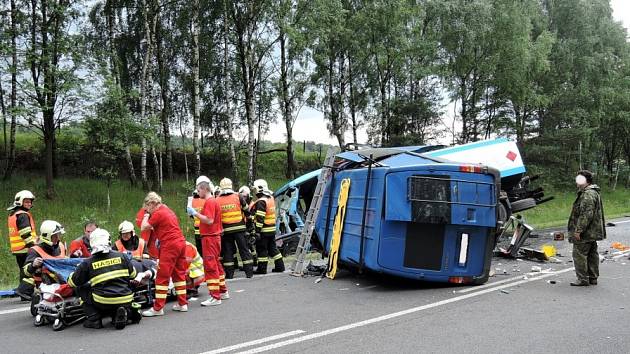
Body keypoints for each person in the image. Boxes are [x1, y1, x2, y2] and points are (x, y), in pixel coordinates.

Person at [68, 228, 141, 329]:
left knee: (80, 289)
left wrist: (71, 275)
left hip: (103, 301)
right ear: (109, 240)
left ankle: (94, 319)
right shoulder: (122, 256)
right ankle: (121, 313)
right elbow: (133, 275)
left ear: (92, 243)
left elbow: (73, 282)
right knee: (121, 290)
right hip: (126, 298)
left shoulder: (87, 263)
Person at [141, 192, 189, 316]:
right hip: (180, 243)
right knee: (179, 274)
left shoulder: (158, 213)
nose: (147, 210)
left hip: (170, 245)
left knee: (162, 276)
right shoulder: (167, 210)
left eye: (147, 207)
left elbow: (144, 227)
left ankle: (158, 308)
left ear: (152, 203)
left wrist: (146, 216)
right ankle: (183, 303)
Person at [187, 176, 229, 306]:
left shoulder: (210, 202)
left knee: (211, 267)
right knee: (216, 265)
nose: (198, 192)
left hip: (210, 237)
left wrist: (195, 213)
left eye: (199, 190)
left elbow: (209, 220)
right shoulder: (213, 201)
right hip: (213, 237)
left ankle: (215, 297)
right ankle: (222, 291)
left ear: (205, 189)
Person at [568, 170, 606, 286]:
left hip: (586, 232)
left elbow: (586, 214)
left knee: (579, 254)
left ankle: (583, 279)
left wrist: (579, 230)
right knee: (591, 254)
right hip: (592, 231)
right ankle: (593, 277)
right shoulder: (593, 192)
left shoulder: (588, 194)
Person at [215, 177, 254, 278]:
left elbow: (216, 217)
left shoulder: (217, 200)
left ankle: (230, 274)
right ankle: (249, 273)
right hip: (240, 229)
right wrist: (250, 225)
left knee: (228, 251)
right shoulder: (238, 196)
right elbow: (247, 211)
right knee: (244, 249)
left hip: (226, 230)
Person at [7, 190, 37, 300]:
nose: (29, 204)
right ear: (20, 202)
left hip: (18, 249)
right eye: (27, 202)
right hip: (25, 248)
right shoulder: (23, 215)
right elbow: (25, 233)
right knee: (32, 269)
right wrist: (33, 245)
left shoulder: (14, 214)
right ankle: (25, 291)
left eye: (30, 202)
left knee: (23, 270)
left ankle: (23, 292)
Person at [251, 179, 285, 274]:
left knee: (262, 249)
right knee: (273, 248)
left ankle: (262, 269)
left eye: (255, 189)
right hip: (272, 229)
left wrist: (257, 231)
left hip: (264, 231)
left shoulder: (261, 201)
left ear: (259, 189)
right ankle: (280, 266)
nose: (254, 192)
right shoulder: (270, 198)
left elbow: (260, 218)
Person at [23, 220, 67, 287]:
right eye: (55, 235)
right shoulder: (35, 250)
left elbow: (65, 262)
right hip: (44, 286)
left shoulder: (61, 246)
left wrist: (73, 256)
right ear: (47, 236)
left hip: (63, 281)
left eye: (58, 235)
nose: (57, 238)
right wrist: (33, 265)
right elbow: (26, 273)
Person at [190, 189, 206, 255]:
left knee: (199, 247)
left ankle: (201, 262)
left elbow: (190, 215)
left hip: (197, 228)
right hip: (206, 227)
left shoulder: (191, 202)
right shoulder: (205, 200)